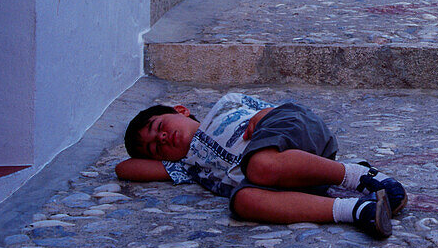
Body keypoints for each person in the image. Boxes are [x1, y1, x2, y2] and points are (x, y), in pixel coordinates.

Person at [115, 92, 408, 240]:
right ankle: (359, 211)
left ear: (181, 110)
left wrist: (267, 112)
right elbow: (124, 169)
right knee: (241, 200)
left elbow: (277, 109)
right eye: (155, 146)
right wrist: (161, 156)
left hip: (288, 129)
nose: (162, 138)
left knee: (259, 166)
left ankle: (360, 176)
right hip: (283, 176)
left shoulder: (226, 104)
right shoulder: (188, 165)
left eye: (159, 126)